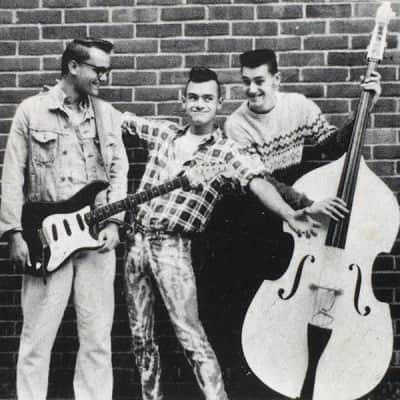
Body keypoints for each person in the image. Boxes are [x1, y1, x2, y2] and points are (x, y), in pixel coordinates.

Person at [120, 67, 346, 400]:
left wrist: (289, 212)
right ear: (183, 101)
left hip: (172, 247)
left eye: (207, 98)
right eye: (193, 98)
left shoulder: (226, 152)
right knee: (141, 336)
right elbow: (118, 120)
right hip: (135, 241)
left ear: (219, 103)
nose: (199, 104)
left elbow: (258, 182)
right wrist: (61, 95)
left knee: (190, 336)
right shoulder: (163, 133)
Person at [217, 48, 382, 394]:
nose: (252, 89)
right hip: (257, 217)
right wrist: (306, 204)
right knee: (260, 311)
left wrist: (365, 109)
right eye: (246, 81)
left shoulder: (299, 107)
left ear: (277, 79)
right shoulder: (235, 125)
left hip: (300, 220)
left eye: (260, 80)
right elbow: (262, 181)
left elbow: (334, 146)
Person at [0, 38, 129, 400]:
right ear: (73, 66)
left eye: (107, 70)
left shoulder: (107, 115)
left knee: (97, 337)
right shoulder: (31, 111)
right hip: (46, 238)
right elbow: (12, 176)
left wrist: (114, 222)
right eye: (98, 70)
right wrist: (14, 233)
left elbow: (118, 171)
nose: (104, 78)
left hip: (95, 237)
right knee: (37, 337)